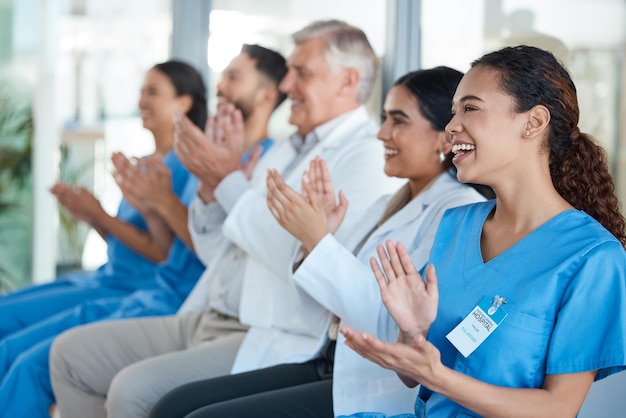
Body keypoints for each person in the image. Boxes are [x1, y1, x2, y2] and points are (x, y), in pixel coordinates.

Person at [50, 20, 401, 418]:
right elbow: (218, 245)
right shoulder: (287, 149)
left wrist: (226, 179)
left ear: (347, 81)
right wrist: (208, 187)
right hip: (206, 315)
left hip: (264, 331)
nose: (286, 86)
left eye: (301, 73)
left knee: (132, 390)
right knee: (70, 355)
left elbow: (300, 257)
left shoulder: (366, 157)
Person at [147, 67, 492, 418]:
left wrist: (315, 238)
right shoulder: (386, 205)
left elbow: (394, 320)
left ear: (443, 139)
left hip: (373, 380)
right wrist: (313, 243)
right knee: (172, 406)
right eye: (385, 118)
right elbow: (321, 314)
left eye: (398, 121)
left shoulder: (455, 210)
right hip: (325, 356)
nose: (382, 134)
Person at [338, 45, 626, 418]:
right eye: (453, 112)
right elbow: (415, 378)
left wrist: (438, 377)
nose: (451, 126)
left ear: (534, 122)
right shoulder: (457, 224)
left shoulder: (592, 258)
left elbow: (557, 410)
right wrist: (412, 334)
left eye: (470, 109)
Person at [0, 60, 208, 418]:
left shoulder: (189, 168)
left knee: (23, 360)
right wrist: (89, 214)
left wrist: (100, 215)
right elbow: (124, 239)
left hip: (135, 290)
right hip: (108, 276)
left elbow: (166, 252)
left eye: (153, 92)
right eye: (142, 90)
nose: (142, 100)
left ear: (184, 103)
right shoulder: (145, 163)